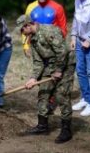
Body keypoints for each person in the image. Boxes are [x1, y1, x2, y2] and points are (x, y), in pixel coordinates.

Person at [21, 16, 75, 144]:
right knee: (43, 93)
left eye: (22, 29)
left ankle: (66, 130)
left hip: (66, 63)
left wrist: (59, 70)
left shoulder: (49, 31)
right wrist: (33, 78)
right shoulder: (32, 39)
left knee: (62, 95)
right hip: (51, 64)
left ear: (29, 25)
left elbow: (62, 52)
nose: (21, 32)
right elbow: (38, 62)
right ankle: (42, 126)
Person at [22, 0, 67, 112]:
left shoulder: (57, 7)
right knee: (41, 71)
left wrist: (58, 46)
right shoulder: (31, 7)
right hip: (37, 45)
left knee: (53, 74)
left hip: (53, 46)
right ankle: (46, 100)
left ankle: (51, 101)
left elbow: (63, 28)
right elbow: (25, 28)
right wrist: (26, 45)